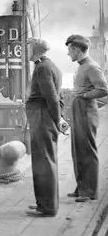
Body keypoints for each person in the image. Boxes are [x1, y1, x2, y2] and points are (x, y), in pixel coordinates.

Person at [65, 35, 108, 203]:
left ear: (76, 49)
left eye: (69, 50)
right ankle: (81, 188)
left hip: (86, 111)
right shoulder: (82, 66)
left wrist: (84, 95)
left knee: (87, 151)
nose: (68, 54)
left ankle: (89, 191)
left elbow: (104, 89)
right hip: (79, 110)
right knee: (77, 150)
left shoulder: (91, 67)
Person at [25, 38, 65, 217]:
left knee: (44, 162)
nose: (25, 51)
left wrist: (58, 121)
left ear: (35, 50)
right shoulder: (50, 65)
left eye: (27, 48)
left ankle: (47, 207)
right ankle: (45, 203)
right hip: (43, 118)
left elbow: (52, 98)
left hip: (42, 119)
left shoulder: (42, 68)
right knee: (47, 161)